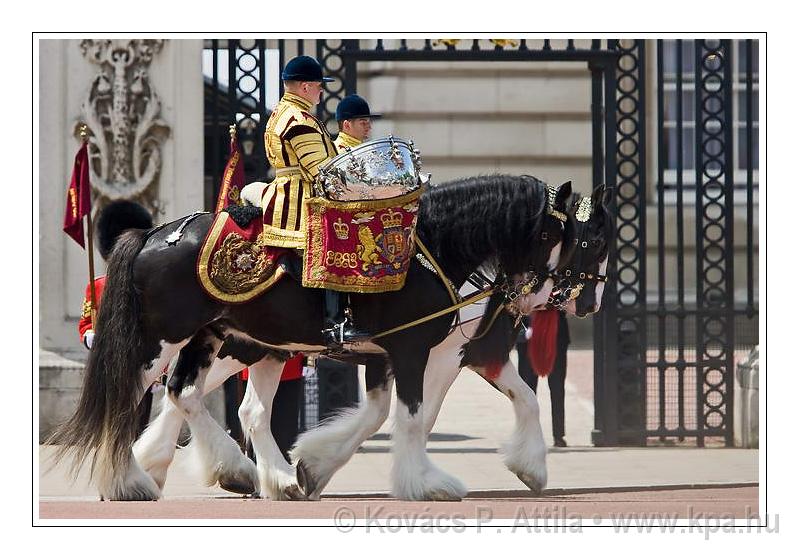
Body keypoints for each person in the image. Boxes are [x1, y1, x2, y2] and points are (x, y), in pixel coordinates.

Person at [261, 55, 365, 345]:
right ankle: (336, 324)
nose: (322, 92)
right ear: (306, 87)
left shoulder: (283, 112)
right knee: (337, 243)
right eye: (320, 86)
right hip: (299, 199)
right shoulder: (298, 119)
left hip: (293, 190)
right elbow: (320, 170)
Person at [78, 200, 155, 438]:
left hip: (142, 360)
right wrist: (90, 336)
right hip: (109, 360)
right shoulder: (97, 285)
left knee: (140, 420)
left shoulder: (148, 286)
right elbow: (86, 324)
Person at [516, 311, 570, 447]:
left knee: (557, 388)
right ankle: (527, 434)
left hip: (555, 332)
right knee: (527, 391)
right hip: (528, 332)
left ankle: (558, 435)